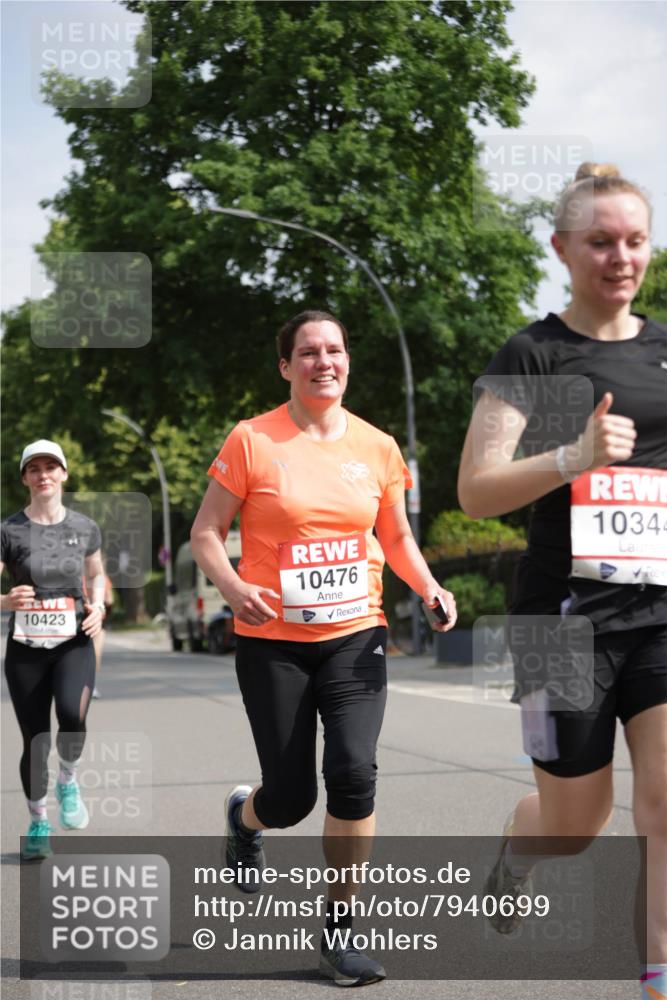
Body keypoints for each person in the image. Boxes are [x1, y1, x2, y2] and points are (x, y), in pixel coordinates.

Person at [191, 310, 457, 986]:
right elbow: (204, 532)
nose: (322, 361)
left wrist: (428, 587)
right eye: (307, 352)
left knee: (353, 771)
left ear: (346, 361)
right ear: (285, 367)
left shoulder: (376, 447)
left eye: (333, 350)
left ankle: (340, 929)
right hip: (270, 642)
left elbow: (394, 538)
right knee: (290, 799)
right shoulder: (252, 440)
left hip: (355, 634)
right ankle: (245, 815)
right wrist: (230, 586)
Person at [457, 163, 666, 998]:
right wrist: (571, 457)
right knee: (574, 826)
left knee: (663, 804)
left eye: (634, 241)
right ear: (560, 248)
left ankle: (655, 968)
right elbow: (475, 491)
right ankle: (520, 846)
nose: (620, 258)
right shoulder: (532, 352)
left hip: (659, 609)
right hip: (561, 622)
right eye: (599, 242)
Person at [1, 440, 107, 860]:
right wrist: (6, 602)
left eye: (51, 466)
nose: (43, 474)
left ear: (64, 474)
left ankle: (68, 778)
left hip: (73, 643)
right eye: (34, 468)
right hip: (26, 649)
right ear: (25, 477)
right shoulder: (8, 530)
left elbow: (97, 574)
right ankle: (38, 821)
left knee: (71, 714)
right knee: (35, 740)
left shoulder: (84, 527)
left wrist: (98, 605)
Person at [90, 570, 113, 698]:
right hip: (98, 617)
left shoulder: (72, 574)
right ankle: (91, 685)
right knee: (96, 652)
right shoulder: (102, 577)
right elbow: (109, 599)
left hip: (77, 616)